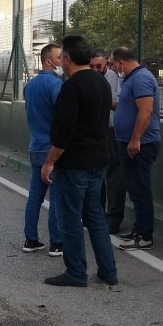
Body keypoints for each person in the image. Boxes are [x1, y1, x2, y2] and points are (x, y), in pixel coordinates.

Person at [41, 35, 118, 287]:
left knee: (70, 218)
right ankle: (108, 271)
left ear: (68, 59)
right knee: (94, 215)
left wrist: (50, 162)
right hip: (99, 160)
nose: (61, 60)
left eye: (62, 56)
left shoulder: (72, 87)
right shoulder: (102, 83)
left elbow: (64, 131)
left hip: (75, 164)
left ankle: (76, 272)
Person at [109, 47, 161, 251]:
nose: (112, 68)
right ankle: (139, 229)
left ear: (121, 62)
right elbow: (127, 108)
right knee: (135, 189)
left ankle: (145, 236)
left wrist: (135, 139)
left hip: (141, 144)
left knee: (141, 190)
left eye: (113, 64)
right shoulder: (131, 79)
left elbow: (146, 111)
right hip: (129, 142)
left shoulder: (140, 79)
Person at [22, 43, 65, 257]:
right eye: (59, 57)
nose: (63, 61)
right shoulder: (56, 85)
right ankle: (56, 242)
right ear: (48, 61)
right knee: (56, 197)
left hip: (35, 146)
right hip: (52, 149)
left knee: (35, 196)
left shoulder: (29, 85)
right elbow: (63, 115)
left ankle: (30, 239)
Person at [91, 50, 126, 235]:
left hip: (113, 134)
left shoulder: (116, 79)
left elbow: (123, 105)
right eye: (92, 66)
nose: (96, 70)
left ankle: (113, 219)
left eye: (100, 66)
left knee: (115, 180)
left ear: (106, 63)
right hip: (96, 134)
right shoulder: (88, 78)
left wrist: (105, 101)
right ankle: (96, 215)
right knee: (96, 178)